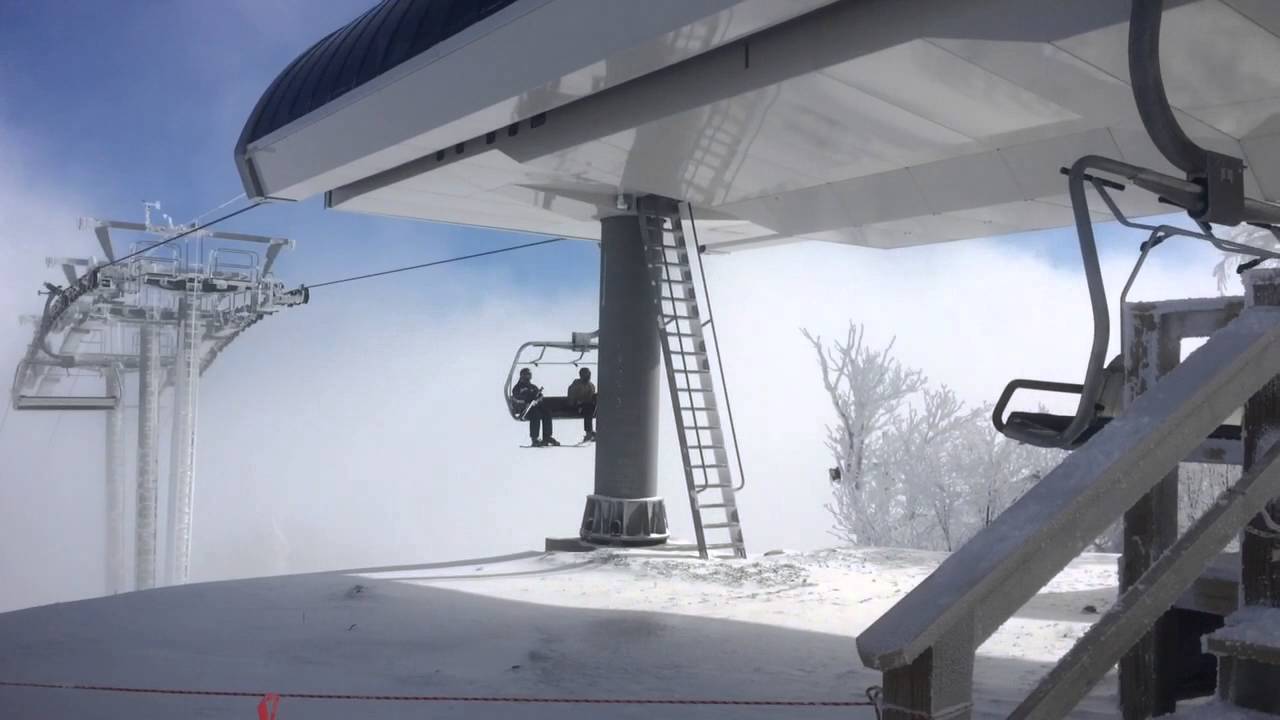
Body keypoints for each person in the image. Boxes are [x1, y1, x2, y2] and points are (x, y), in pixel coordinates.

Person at [512, 368, 557, 446]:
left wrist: (538, 399)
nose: (528, 377)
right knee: (535, 414)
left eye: (529, 375)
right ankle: (534, 438)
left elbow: (540, 396)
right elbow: (516, 398)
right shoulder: (517, 387)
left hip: (534, 407)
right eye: (526, 375)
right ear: (522, 376)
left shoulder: (532, 387)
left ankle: (547, 437)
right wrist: (525, 401)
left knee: (547, 412)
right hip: (525, 410)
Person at [566, 367, 597, 443]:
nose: (588, 377)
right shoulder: (576, 385)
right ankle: (588, 432)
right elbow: (571, 398)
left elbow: (591, 396)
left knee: (592, 407)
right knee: (588, 408)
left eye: (589, 375)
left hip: (588, 406)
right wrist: (577, 402)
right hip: (577, 406)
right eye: (586, 375)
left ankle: (596, 431)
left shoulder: (591, 385)